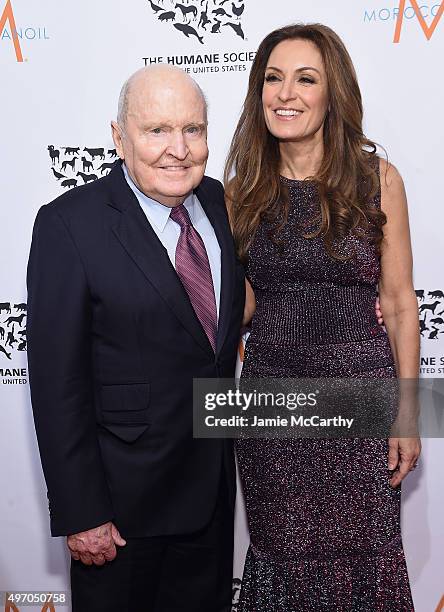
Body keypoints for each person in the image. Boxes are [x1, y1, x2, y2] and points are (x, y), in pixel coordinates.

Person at [27, 65, 245, 612]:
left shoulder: (221, 204)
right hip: (121, 514)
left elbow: (228, 316)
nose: (178, 149)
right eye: (156, 131)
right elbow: (57, 385)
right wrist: (82, 513)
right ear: (119, 137)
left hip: (212, 500)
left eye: (192, 130)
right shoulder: (69, 224)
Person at [225, 24, 421, 610]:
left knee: (366, 558)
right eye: (273, 79)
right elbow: (246, 306)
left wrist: (409, 413)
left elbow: (399, 304)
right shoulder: (241, 192)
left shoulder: (376, 180)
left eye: (305, 78)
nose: (286, 93)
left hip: (360, 402)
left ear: (332, 93)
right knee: (280, 553)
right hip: (270, 407)